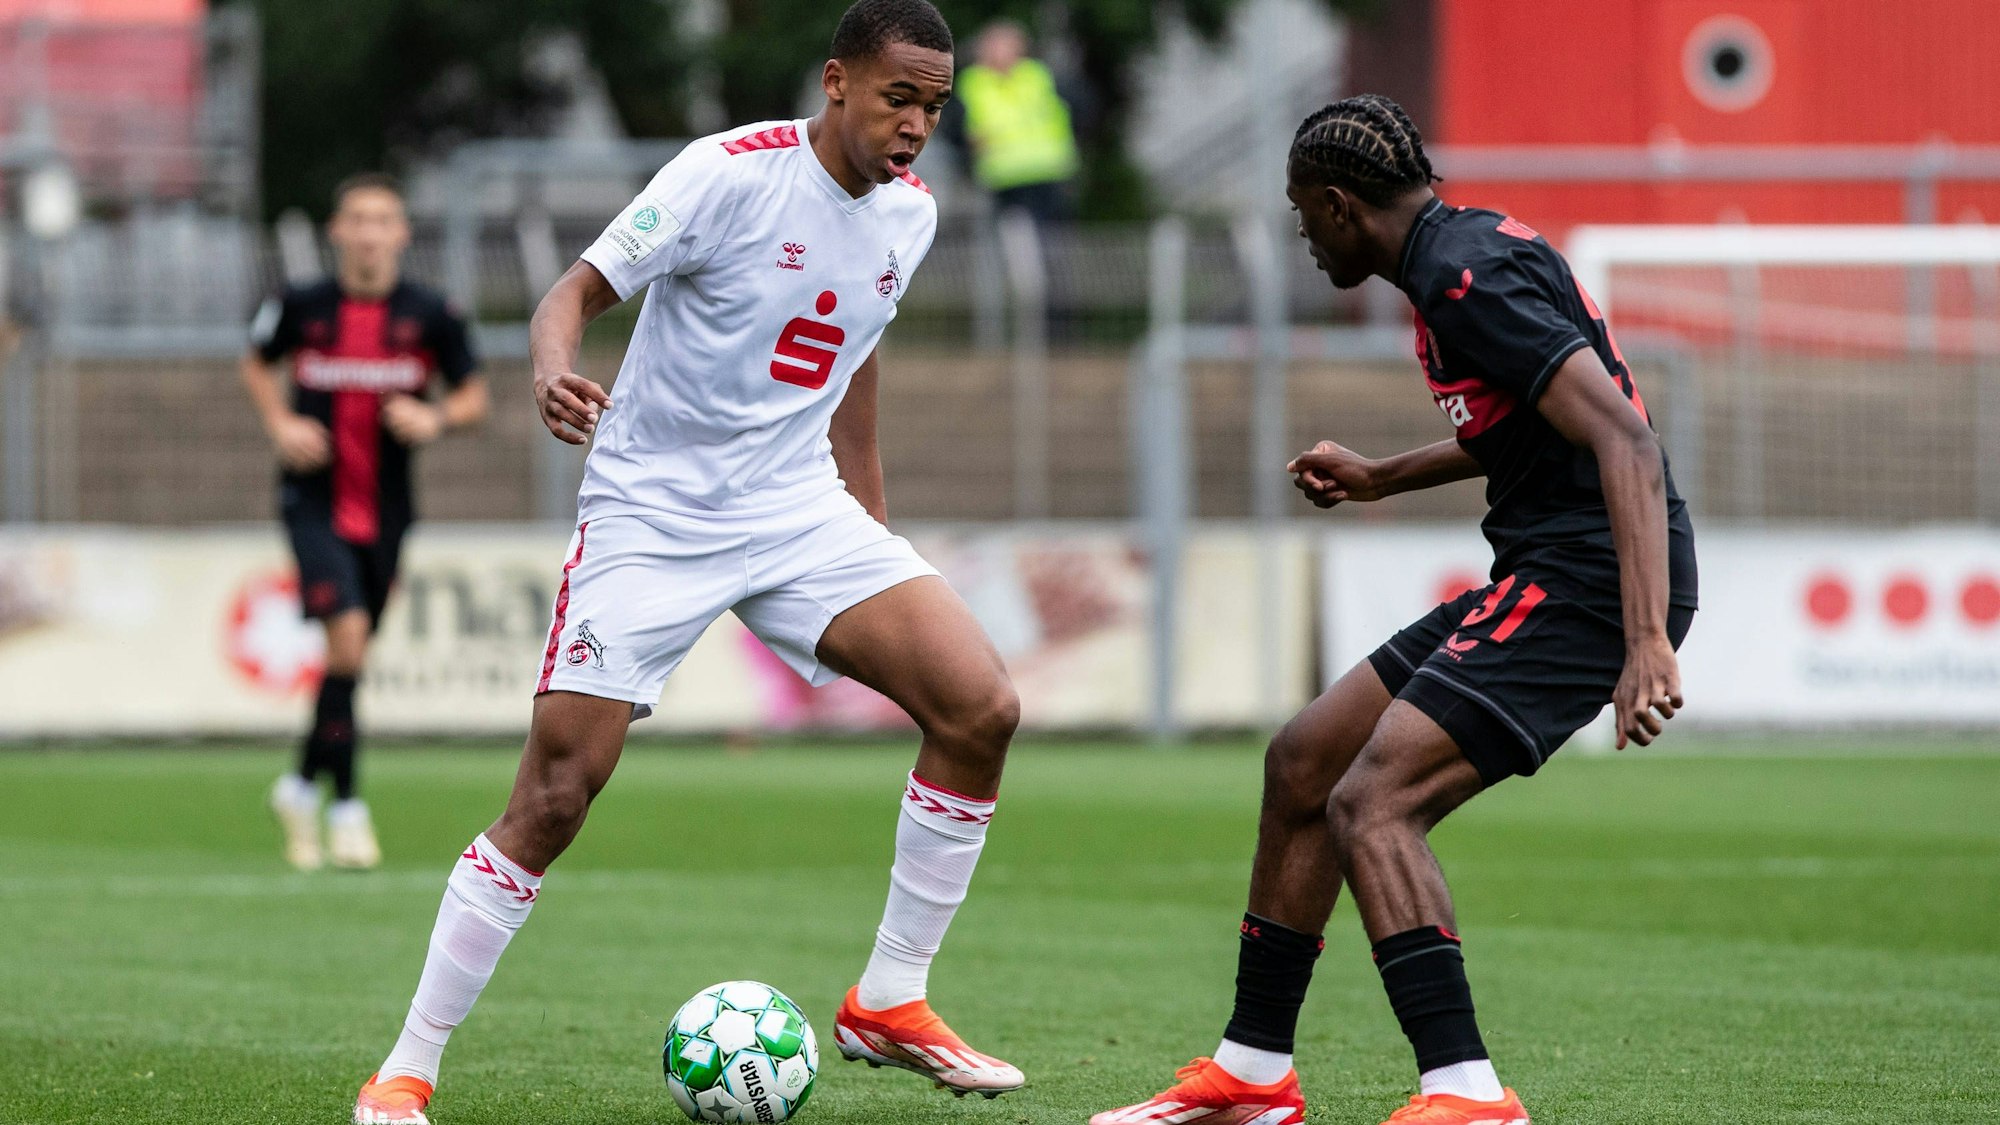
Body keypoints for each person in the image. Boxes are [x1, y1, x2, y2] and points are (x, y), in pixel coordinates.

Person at [352, 3, 1025, 1122]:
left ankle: (889, 1000)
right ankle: (407, 1065)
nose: (917, 125)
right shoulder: (727, 173)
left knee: (980, 706)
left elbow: (852, 366)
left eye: (935, 107)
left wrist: (872, 531)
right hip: (652, 514)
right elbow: (568, 293)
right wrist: (551, 371)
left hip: (796, 507)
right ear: (837, 83)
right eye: (900, 98)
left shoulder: (912, 215)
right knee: (558, 793)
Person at [1092, 95, 1699, 1125]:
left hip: (1592, 580)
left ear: (1336, 205)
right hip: (1549, 567)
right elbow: (1525, 421)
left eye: (1298, 215)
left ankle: (1464, 1092)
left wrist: (1643, 639)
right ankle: (1249, 1073)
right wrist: (1380, 478)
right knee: (1305, 759)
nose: (1298, 236)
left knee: (1372, 803)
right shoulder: (1456, 255)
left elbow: (1626, 443)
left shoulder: (1463, 279)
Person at [243, 173, 487, 873]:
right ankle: (347, 805)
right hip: (311, 502)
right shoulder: (301, 305)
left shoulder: (431, 312)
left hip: (387, 508)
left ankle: (297, 785)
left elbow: (473, 395)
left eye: (384, 220)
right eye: (359, 219)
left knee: (350, 658)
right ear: (337, 230)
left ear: (401, 233)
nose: (371, 232)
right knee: (346, 643)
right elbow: (256, 363)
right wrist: (280, 421)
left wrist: (434, 415)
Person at [956, 19, 1079, 223]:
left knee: (1054, 238)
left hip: (1051, 168)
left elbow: (1072, 111)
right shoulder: (973, 81)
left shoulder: (1038, 74)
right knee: (1016, 239)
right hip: (1004, 176)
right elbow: (959, 128)